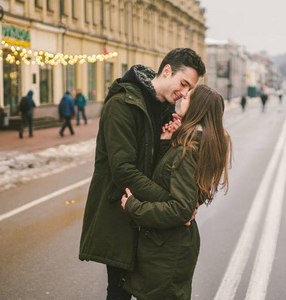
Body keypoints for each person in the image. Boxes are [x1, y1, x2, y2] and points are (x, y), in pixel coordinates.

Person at [79, 48, 206, 300]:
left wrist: (168, 141)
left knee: (146, 289)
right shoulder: (122, 104)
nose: (183, 94)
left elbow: (163, 168)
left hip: (146, 216)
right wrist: (175, 204)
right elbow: (123, 170)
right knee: (119, 290)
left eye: (188, 89)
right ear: (167, 70)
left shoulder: (166, 109)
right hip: (121, 214)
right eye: (183, 84)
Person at [120, 85, 232, 300]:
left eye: (187, 96)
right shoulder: (196, 144)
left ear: (196, 106)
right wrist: (165, 143)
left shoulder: (188, 150)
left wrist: (134, 206)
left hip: (167, 250)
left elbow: (181, 209)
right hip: (169, 246)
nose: (182, 97)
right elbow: (169, 182)